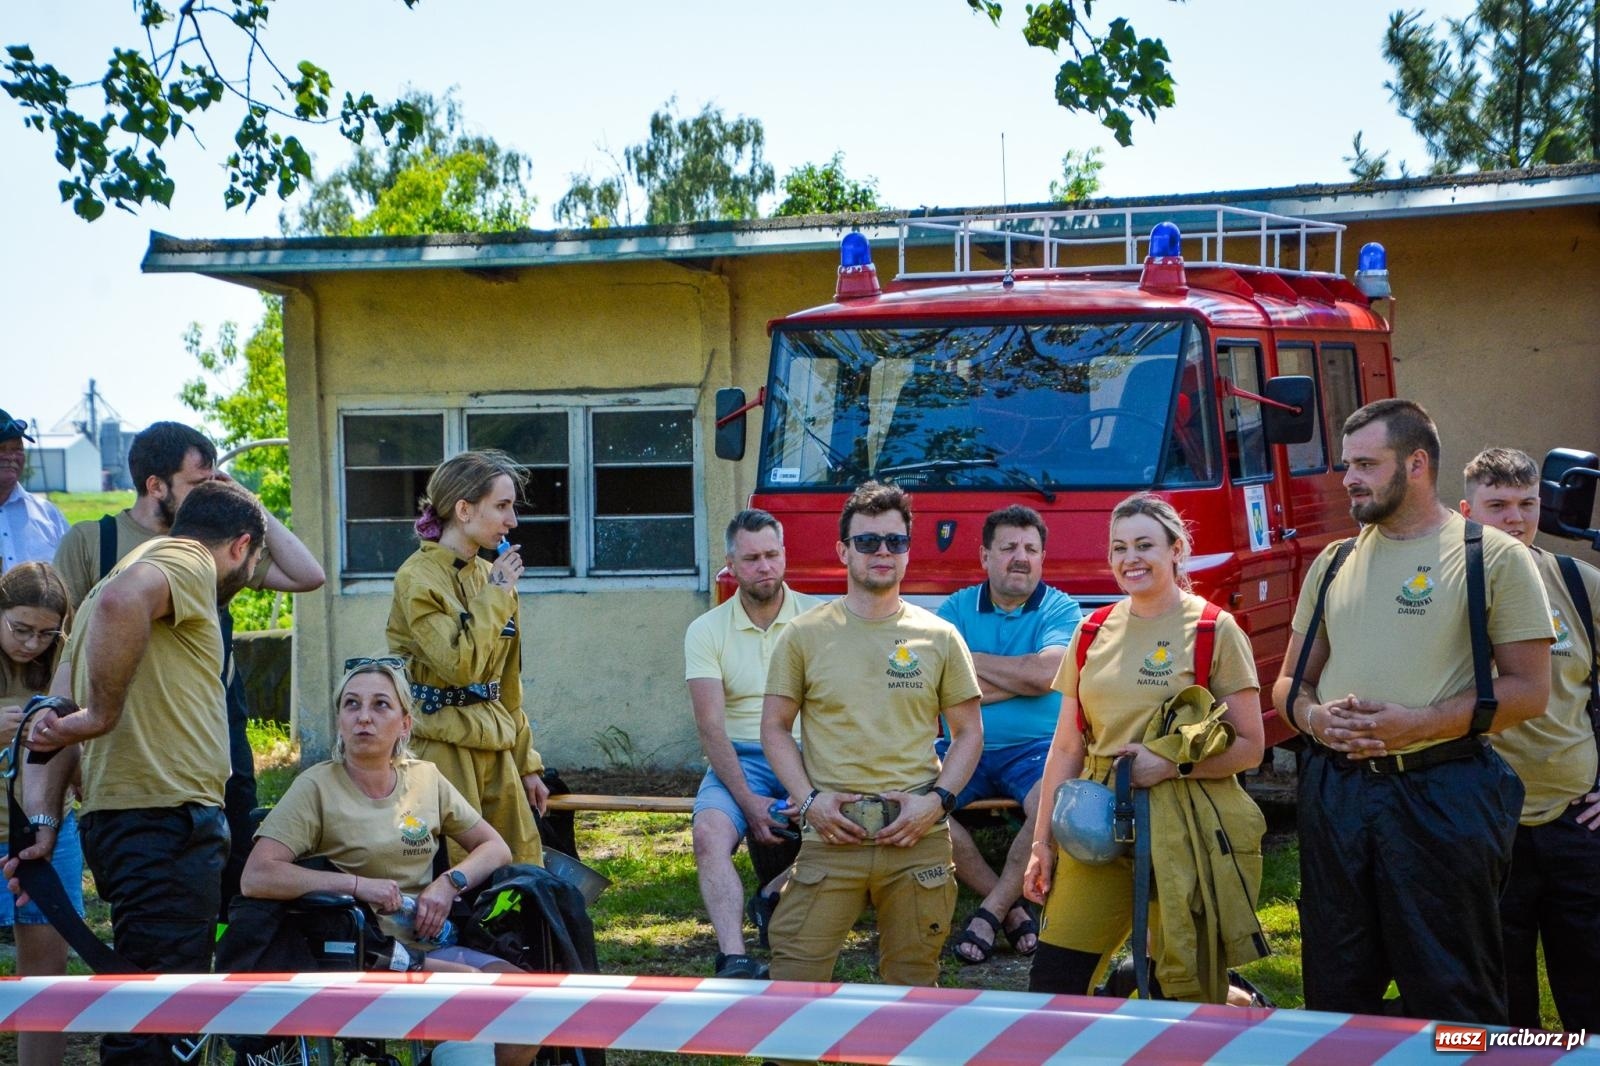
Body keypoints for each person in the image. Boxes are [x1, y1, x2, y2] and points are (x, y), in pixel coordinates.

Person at [1272, 400, 1553, 1024]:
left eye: (1367, 464)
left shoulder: (1492, 556)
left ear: (1417, 464)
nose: (1350, 478)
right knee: (1337, 991)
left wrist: (1418, 724)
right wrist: (1316, 721)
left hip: (1443, 793)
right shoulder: (1334, 560)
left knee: (1455, 996)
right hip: (1336, 795)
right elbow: (1290, 683)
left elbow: (1532, 690)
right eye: (1349, 465)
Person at [11, 479, 266, 1064]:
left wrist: (44, 822)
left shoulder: (112, 579)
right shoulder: (185, 558)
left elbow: (47, 715)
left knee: (145, 1000)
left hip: (132, 822)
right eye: (251, 565)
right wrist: (100, 715)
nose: (246, 577)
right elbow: (129, 603)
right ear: (240, 545)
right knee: (160, 1023)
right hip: (166, 821)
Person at [52, 420, 325, 915]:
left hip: (212, 723)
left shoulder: (218, 541)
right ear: (156, 485)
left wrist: (245, 503)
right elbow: (72, 641)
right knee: (163, 917)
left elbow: (309, 575)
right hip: (141, 753)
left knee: (222, 860)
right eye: (201, 482)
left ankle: (225, 945)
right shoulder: (98, 541)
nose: (213, 488)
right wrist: (86, 727)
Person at [1022, 493, 1264, 1000]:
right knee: (1054, 984)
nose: (1130, 558)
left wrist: (1171, 766)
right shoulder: (1091, 630)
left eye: (1145, 545)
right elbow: (1066, 746)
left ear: (1177, 550)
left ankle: (1241, 1014)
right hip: (1095, 828)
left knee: (1183, 989)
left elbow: (1250, 747)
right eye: (1118, 547)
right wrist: (1041, 843)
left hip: (1185, 832)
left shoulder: (1213, 630)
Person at [242, 658, 534, 1066]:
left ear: (405, 724)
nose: (364, 717)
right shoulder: (316, 787)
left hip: (431, 939)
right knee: (474, 987)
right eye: (351, 705)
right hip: (362, 950)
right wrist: (357, 886)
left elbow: (495, 847)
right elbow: (257, 875)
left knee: (531, 1002)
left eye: (381, 705)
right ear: (340, 720)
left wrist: (448, 884)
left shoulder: (426, 779)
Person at [760, 480, 982, 986]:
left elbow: (968, 733)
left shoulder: (940, 636)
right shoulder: (804, 634)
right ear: (843, 551)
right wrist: (809, 800)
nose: (882, 551)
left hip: (917, 836)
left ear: (908, 550)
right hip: (832, 834)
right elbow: (773, 727)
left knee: (913, 984)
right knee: (794, 980)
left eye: (895, 541)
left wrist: (939, 802)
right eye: (867, 541)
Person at [1460, 446, 1600, 1030]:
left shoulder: (1580, 582)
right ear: (1467, 511)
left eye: (1527, 504)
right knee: (1501, 1006)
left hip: (1578, 823)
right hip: (1485, 827)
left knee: (1592, 996)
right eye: (1497, 506)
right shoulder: (1439, 593)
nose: (1515, 519)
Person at [388, 449, 547, 869]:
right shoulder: (417, 578)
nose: (512, 521)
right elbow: (461, 666)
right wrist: (496, 592)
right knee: (455, 870)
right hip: (440, 747)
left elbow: (507, 682)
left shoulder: (491, 576)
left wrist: (527, 764)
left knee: (519, 866)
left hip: (496, 745)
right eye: (502, 506)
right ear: (463, 509)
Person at [938, 504, 1082, 965]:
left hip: (1037, 751)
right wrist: (1020, 678)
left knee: (1053, 803)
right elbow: (937, 688)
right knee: (923, 806)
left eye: (1031, 549)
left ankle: (991, 910)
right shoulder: (954, 607)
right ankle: (1015, 908)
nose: (1020, 557)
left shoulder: (1061, 607)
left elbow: (1046, 674)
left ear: (1042, 557)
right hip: (964, 744)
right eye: (1008, 548)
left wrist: (966, 663)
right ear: (984, 556)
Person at [684, 509, 821, 978]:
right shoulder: (706, 631)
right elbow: (710, 728)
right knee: (708, 836)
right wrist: (747, 800)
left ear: (784, 556)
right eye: (752, 558)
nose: (764, 567)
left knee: (850, 821)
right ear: (731, 564)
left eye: (772, 555)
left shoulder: (820, 621)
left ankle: (772, 893)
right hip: (738, 756)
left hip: (810, 756)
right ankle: (733, 956)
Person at [0, 562, 77, 1066]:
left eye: (47, 634)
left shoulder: (67, 660)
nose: (32, 644)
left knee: (46, 982)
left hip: (46, 833)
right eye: (21, 629)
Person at [0, 409, 68, 572]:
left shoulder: (48, 515)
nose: (11, 457)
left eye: (18, 449)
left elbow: (73, 576)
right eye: (1, 449)